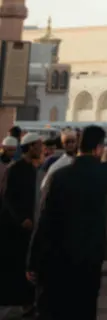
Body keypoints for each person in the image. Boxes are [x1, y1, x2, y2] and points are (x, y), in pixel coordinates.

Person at [27, 124, 107, 320]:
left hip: (58, 256)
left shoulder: (58, 176)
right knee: (84, 308)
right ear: (98, 148)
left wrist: (32, 260)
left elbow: (44, 221)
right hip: (89, 259)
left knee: (58, 309)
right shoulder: (103, 175)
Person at [0, 131, 42, 310]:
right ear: (31, 147)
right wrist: (21, 219)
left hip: (28, 226)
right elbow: (7, 198)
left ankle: (26, 300)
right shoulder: (15, 170)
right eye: (38, 145)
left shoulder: (33, 169)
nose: (41, 149)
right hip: (14, 226)